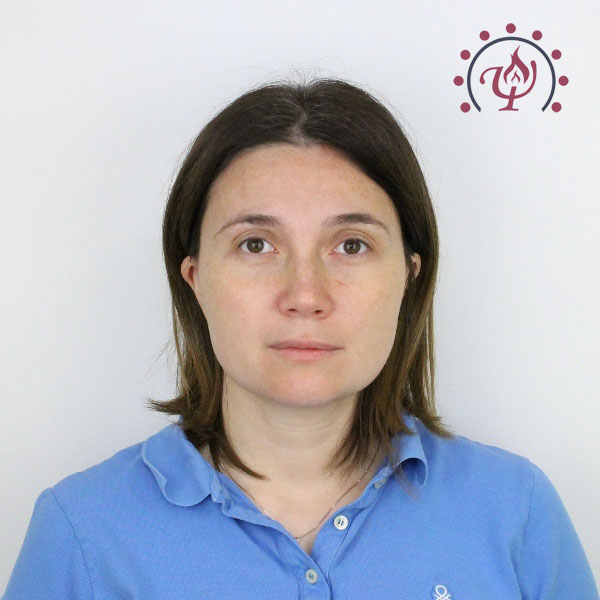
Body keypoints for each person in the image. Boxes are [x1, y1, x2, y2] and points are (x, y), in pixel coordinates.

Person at [3, 76, 598, 599]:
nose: (306, 294)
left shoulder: (516, 509)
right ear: (195, 278)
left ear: (409, 275)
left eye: (351, 245)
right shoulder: (80, 532)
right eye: (256, 244)